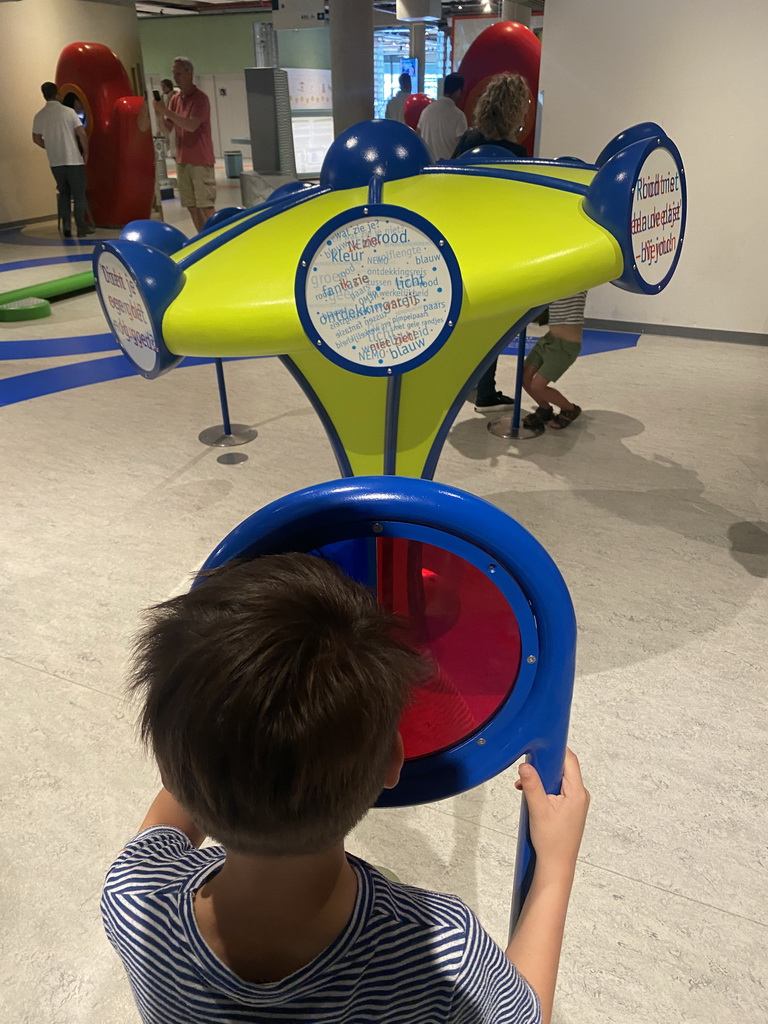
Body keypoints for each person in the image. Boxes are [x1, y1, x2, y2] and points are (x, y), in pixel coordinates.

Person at [102, 552, 589, 1024]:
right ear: (394, 762)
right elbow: (526, 1015)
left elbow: (169, 812)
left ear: (165, 770)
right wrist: (555, 868)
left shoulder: (135, 897)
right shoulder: (443, 951)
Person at [454, 73, 586, 426]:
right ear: (517, 112)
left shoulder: (467, 141)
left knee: (473, 324)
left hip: (465, 244)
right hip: (499, 249)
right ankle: (484, 390)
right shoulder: (515, 154)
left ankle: (475, 386)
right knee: (497, 326)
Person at [153, 57, 215, 232]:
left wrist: (165, 111)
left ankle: (217, 239)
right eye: (174, 74)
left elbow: (191, 125)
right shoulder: (175, 100)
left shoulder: (200, 99)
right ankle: (203, 238)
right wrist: (159, 113)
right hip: (182, 159)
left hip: (200, 160)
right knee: (191, 205)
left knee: (206, 206)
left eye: (179, 73)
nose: (176, 78)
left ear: (190, 73)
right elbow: (166, 128)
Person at [32, 81, 92, 239]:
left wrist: (50, 147)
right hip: (73, 160)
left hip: (55, 162)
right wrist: (86, 152)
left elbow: (36, 138)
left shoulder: (40, 115)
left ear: (44, 95)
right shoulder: (68, 112)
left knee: (64, 194)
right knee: (78, 195)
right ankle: (81, 227)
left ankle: (67, 228)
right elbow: (82, 133)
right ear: (57, 94)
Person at [417, 73, 467, 161]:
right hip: (448, 170)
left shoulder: (426, 111)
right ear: (458, 92)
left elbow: (418, 136)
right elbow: (462, 147)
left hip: (428, 168)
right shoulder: (458, 115)